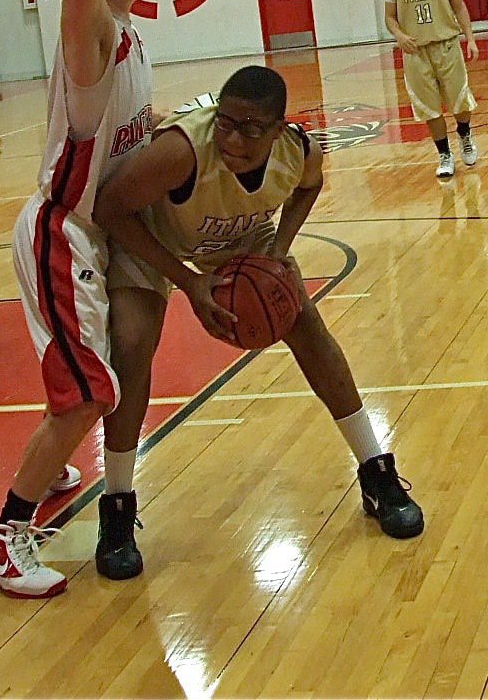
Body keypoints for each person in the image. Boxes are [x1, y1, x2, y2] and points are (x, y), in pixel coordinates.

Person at [93, 66, 425, 570]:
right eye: (225, 122)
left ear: (278, 129)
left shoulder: (299, 153)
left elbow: (309, 187)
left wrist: (278, 248)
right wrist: (186, 281)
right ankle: (116, 508)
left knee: (309, 329)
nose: (233, 138)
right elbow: (110, 207)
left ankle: (376, 471)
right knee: (134, 345)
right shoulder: (182, 151)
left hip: (235, 239)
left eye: (251, 129)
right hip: (150, 238)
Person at [0, 0, 167, 599]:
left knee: (82, 380)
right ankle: (6, 533)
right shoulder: (86, 28)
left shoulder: (137, 41)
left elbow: (141, 136)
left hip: (80, 232)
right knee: (93, 391)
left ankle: (48, 471)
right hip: (60, 229)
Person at [384, 0, 479, 179]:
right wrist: (400, 35)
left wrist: (470, 38)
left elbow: (459, 6)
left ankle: (465, 133)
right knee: (429, 108)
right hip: (416, 52)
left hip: (446, 45)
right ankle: (444, 155)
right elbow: (390, 17)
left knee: (460, 100)